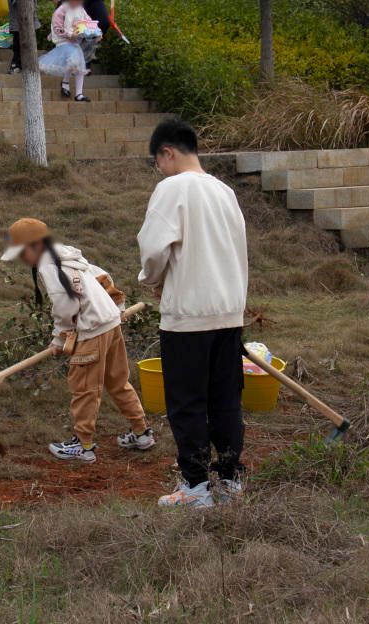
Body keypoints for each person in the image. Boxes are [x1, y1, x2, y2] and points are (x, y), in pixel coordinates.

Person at [137, 119, 248, 509]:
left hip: (188, 315)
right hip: (229, 312)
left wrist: (151, 279)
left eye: (158, 161)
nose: (160, 169)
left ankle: (197, 486)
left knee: (187, 402)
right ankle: (230, 481)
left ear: (167, 152)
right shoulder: (225, 191)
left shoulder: (172, 188)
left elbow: (153, 250)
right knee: (225, 399)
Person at [0, 218, 154, 463]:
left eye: (21, 253)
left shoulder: (49, 265)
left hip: (92, 332)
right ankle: (142, 433)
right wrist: (118, 306)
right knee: (118, 381)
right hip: (110, 326)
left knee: (84, 389)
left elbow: (65, 305)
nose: (21, 259)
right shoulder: (70, 256)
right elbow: (103, 277)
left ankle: (84, 446)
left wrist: (59, 338)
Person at [39, 0, 101, 103]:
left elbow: (89, 23)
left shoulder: (81, 10)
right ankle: (66, 84)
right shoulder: (61, 11)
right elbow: (57, 28)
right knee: (74, 60)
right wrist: (69, 34)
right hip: (63, 41)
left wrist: (97, 33)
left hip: (75, 42)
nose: (78, 2)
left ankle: (77, 92)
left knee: (78, 64)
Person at [1, 0, 39, 74]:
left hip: (25, 25)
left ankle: (19, 64)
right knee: (16, 45)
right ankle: (17, 63)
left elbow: (31, 9)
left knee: (25, 45)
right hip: (16, 25)